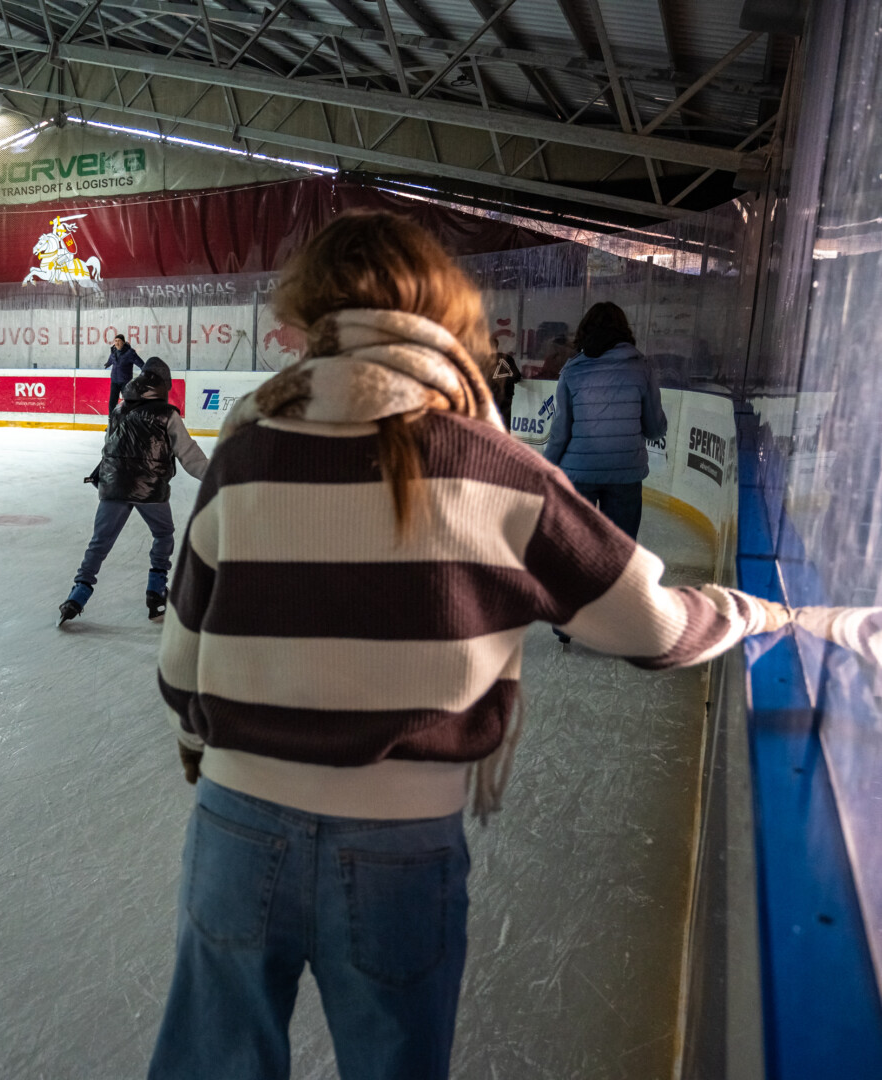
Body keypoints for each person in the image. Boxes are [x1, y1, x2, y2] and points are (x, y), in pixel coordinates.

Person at [147, 211, 832, 1080]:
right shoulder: (495, 467)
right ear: (444, 313)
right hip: (399, 846)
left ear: (312, 313)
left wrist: (203, 744)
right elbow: (657, 629)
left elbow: (182, 659)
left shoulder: (246, 450)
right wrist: (759, 614)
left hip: (236, 828)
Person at [60, 357, 208, 627]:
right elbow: (189, 454)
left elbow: (108, 446)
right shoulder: (167, 414)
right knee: (163, 534)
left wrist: (106, 478)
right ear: (162, 386)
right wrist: (216, 477)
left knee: (99, 543)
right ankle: (156, 592)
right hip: (150, 488)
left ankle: (77, 595)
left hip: (114, 485)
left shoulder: (119, 409)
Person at [543, 302, 664, 542]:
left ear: (584, 331)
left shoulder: (572, 370)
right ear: (624, 331)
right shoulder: (642, 368)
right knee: (620, 548)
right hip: (626, 472)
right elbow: (655, 429)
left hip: (579, 472)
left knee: (577, 548)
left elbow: (560, 432)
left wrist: (547, 467)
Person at [105, 334, 143, 414]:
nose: (117, 343)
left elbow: (140, 363)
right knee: (112, 402)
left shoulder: (130, 353)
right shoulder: (113, 351)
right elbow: (111, 360)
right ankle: (112, 419)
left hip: (125, 381)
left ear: (123, 342)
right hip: (114, 380)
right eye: (115, 341)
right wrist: (108, 363)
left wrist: (145, 370)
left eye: (119, 341)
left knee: (128, 402)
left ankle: (129, 418)